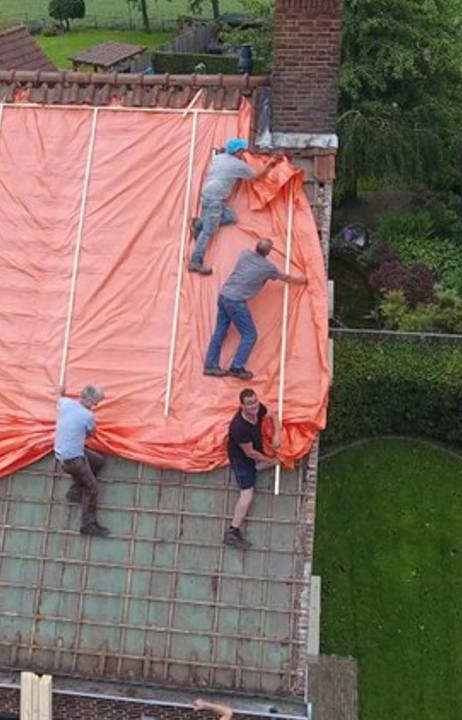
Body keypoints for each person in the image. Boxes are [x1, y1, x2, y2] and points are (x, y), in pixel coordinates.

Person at [204, 238, 307, 381]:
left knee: (220, 332)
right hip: (235, 301)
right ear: (269, 252)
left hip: (224, 295)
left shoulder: (245, 254)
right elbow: (285, 277)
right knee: (250, 335)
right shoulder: (268, 268)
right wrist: (301, 280)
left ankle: (210, 365)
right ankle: (236, 367)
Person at [188, 139, 280, 275]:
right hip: (215, 200)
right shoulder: (237, 165)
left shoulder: (219, 158)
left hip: (208, 194)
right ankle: (195, 262)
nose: (244, 153)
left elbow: (221, 152)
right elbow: (258, 176)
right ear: (237, 152)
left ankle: (200, 224)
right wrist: (270, 164)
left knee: (231, 218)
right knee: (208, 231)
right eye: (242, 150)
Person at [223, 388, 280, 550]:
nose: (254, 406)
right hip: (241, 459)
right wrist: (270, 459)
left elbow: (273, 415)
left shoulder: (258, 408)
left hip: (253, 450)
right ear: (242, 406)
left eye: (255, 401)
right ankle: (232, 531)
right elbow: (250, 453)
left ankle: (258, 468)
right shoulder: (239, 427)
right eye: (249, 404)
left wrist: (277, 434)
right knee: (247, 493)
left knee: (272, 461)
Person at [54, 384, 110, 538]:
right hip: (73, 460)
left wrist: (60, 388)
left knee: (98, 461)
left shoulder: (65, 403)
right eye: (96, 402)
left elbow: (58, 394)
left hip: (62, 454)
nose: (96, 405)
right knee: (92, 488)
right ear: (90, 400)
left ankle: (76, 491)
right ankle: (88, 525)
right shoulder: (87, 416)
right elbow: (91, 434)